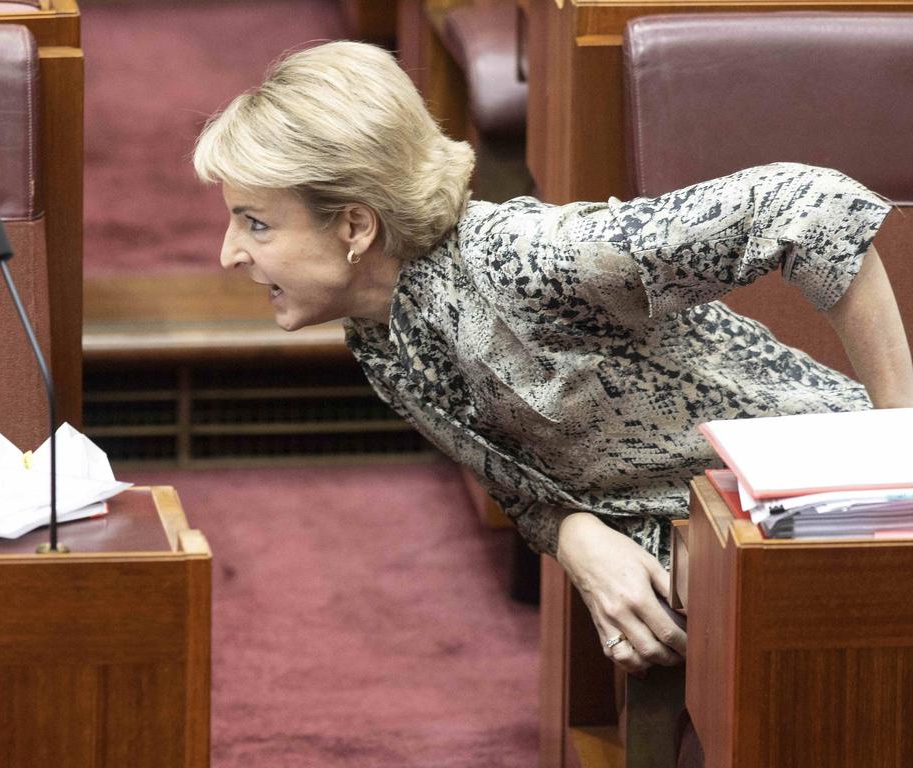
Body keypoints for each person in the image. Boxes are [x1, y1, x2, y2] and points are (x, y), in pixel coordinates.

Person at [192, 40, 913, 674]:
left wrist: (896, 443)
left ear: (354, 224)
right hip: (728, 546)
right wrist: (576, 539)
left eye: (255, 223)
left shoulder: (521, 261)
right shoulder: (380, 337)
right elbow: (525, 486)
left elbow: (810, 204)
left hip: (842, 519)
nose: (230, 255)